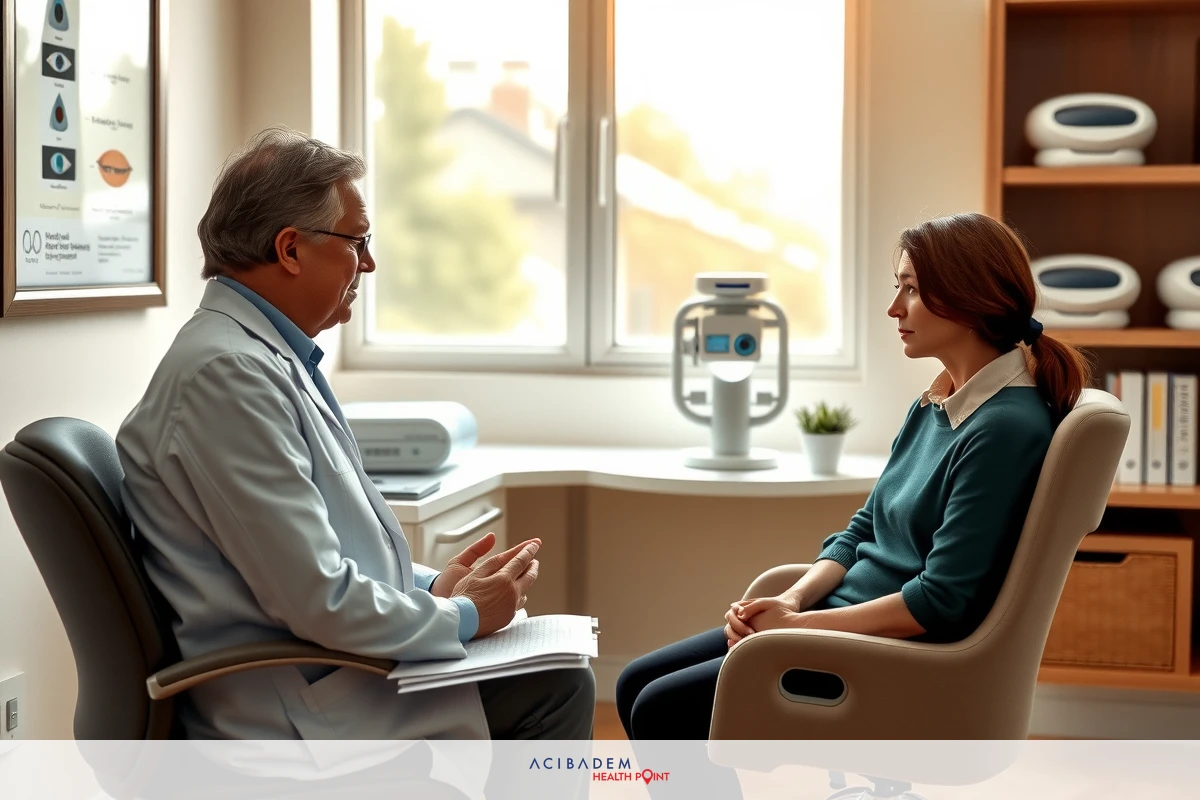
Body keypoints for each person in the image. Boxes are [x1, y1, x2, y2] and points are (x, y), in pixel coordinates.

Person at [116, 126, 594, 745]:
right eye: (357, 242)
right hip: (297, 703)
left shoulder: (262, 358)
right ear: (291, 249)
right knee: (560, 685)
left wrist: (433, 587)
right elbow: (316, 597)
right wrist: (466, 614)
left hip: (331, 664)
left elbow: (316, 556)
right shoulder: (227, 376)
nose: (368, 263)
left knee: (557, 673)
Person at [616, 212, 1093, 746]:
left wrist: (795, 629)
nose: (894, 308)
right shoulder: (938, 401)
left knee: (660, 709)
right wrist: (792, 601)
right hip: (836, 625)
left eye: (912, 290)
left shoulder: (1004, 429)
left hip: (885, 657)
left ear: (968, 298)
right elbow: (863, 529)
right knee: (633, 682)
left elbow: (939, 600)